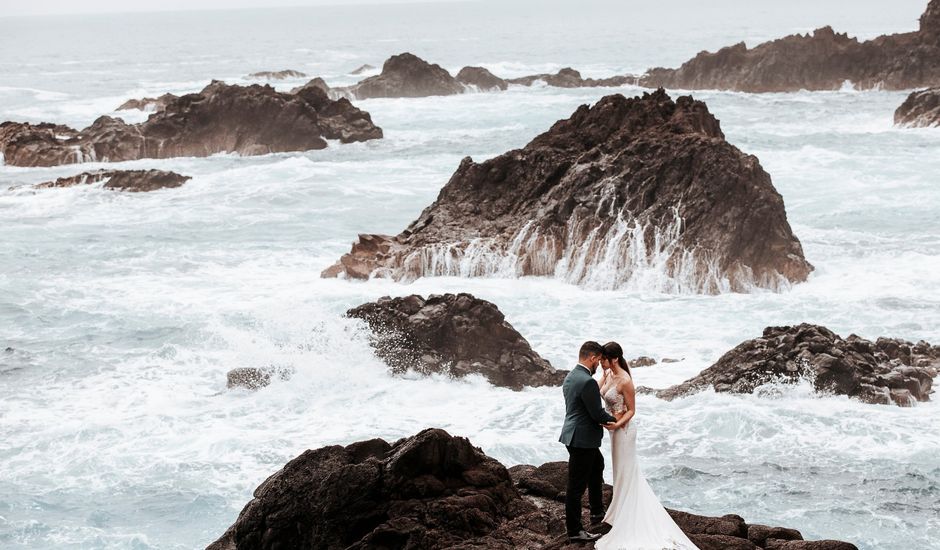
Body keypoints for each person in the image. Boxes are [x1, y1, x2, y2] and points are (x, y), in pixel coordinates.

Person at [595, 341, 699, 550]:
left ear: (614, 358)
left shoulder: (625, 380)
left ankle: (629, 515)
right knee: (619, 472)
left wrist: (616, 425)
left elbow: (632, 410)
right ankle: (618, 510)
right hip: (613, 431)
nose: (601, 362)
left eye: (604, 359)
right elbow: (596, 390)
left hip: (624, 430)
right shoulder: (607, 375)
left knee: (627, 470)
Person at [559, 341, 618, 543]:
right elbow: (597, 414)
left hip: (573, 435)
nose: (599, 364)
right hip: (583, 439)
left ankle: (596, 512)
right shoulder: (587, 381)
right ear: (592, 358)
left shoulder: (571, 376)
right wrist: (619, 419)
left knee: (597, 466)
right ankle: (575, 531)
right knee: (575, 488)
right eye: (599, 360)